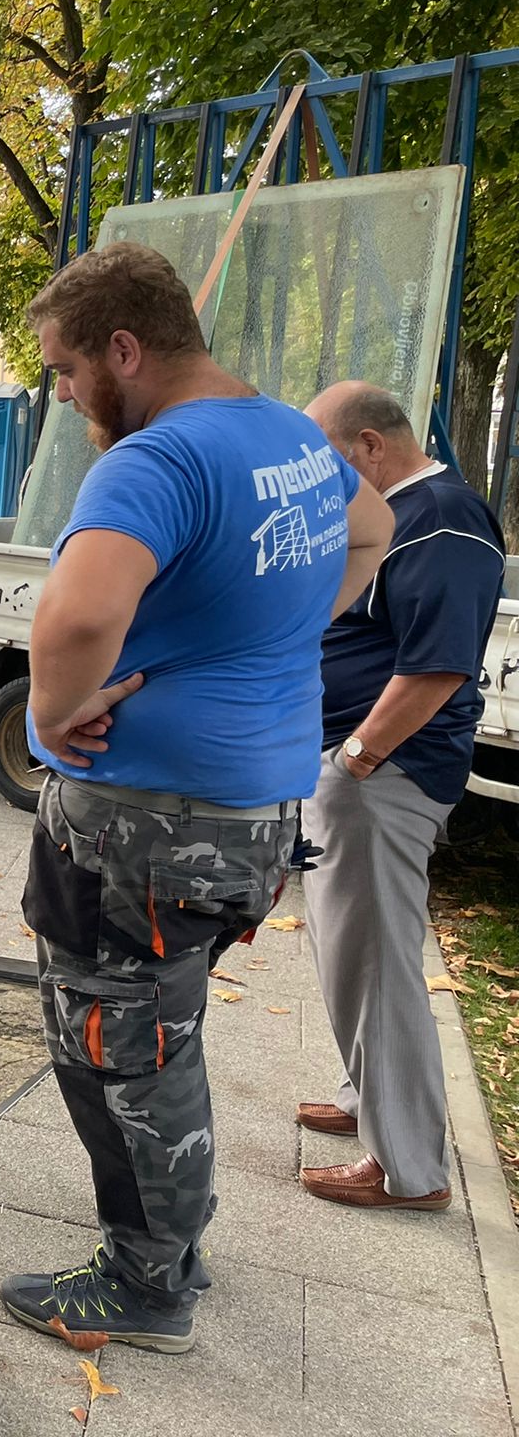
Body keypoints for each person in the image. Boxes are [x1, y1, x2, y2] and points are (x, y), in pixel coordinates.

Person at [0, 241, 392, 1354]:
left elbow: (74, 622)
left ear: (123, 348)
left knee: (115, 1044)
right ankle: (171, 1239)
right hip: (254, 815)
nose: (67, 394)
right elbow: (375, 533)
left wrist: (45, 719)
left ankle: (145, 1284)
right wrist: (264, 638)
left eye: (69, 370)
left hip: (140, 822)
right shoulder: (286, 437)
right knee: (157, 1030)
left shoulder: (152, 462)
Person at [297, 382, 505, 1210]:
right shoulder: (407, 517)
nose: (321, 479)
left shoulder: (442, 520)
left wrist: (355, 759)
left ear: (370, 447)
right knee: (350, 951)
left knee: (378, 963)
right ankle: (367, 1098)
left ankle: (409, 1168)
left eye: (327, 459)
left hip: (385, 776)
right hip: (367, 772)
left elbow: (438, 665)